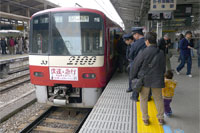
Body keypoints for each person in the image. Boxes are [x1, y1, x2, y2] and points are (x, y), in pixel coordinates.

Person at [130, 32, 165, 126]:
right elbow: (163, 67)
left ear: (147, 41)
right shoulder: (161, 52)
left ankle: (145, 118)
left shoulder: (143, 52)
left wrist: (132, 77)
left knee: (143, 99)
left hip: (144, 79)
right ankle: (160, 118)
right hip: (157, 79)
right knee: (158, 98)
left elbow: (136, 66)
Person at [129, 27, 146, 101]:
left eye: (133, 35)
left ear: (137, 34)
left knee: (136, 79)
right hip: (147, 64)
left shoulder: (135, 44)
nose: (133, 37)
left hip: (136, 64)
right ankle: (147, 96)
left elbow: (131, 56)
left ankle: (135, 96)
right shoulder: (147, 41)